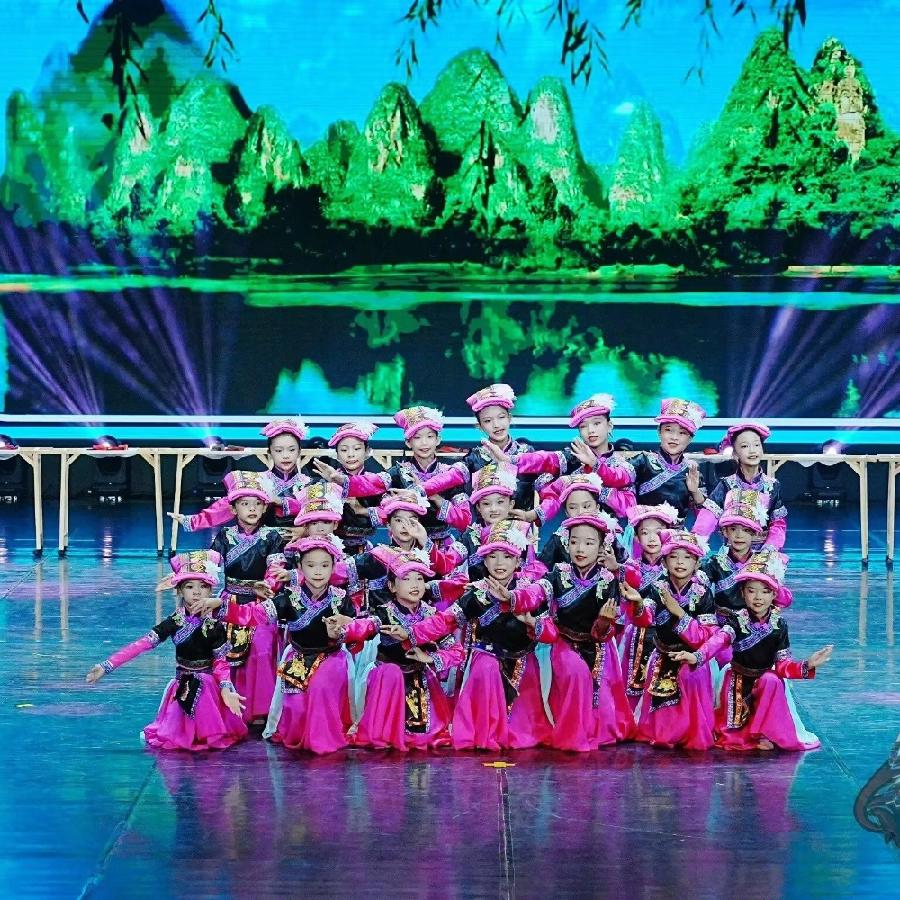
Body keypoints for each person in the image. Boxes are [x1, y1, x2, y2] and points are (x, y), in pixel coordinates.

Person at [382, 521, 555, 751]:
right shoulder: (476, 592)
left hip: (522, 660)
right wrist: (411, 633)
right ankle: (485, 732)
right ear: (484, 561)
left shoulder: (529, 592)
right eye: (492, 556)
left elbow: (551, 633)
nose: (499, 563)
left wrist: (532, 622)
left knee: (522, 735)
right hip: (487, 658)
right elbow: (446, 621)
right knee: (485, 667)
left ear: (518, 561)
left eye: (507, 556)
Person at [85, 550, 247, 751]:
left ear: (211, 590)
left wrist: (225, 688)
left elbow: (221, 662)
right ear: (179, 591)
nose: (197, 592)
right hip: (182, 683)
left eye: (203, 586)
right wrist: (107, 666)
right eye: (190, 586)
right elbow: (142, 644)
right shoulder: (174, 622)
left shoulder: (214, 625)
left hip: (208, 687)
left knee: (207, 730)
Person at [676, 548, 832, 751]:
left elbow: (783, 666)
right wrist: (697, 656)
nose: (758, 597)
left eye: (765, 591)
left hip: (766, 683)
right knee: (732, 737)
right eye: (751, 591)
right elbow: (718, 641)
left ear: (774, 594)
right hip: (737, 680)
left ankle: (764, 732)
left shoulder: (779, 625)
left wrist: (807, 665)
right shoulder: (736, 621)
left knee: (772, 679)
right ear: (742, 593)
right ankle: (745, 733)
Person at [217, 534, 358, 754]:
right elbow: (253, 615)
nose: (318, 571)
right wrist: (220, 606)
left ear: (333, 567)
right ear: (300, 567)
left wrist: (342, 632)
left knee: (320, 688)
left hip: (332, 658)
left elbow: (356, 633)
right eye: (311, 565)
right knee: (297, 707)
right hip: (298, 658)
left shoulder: (341, 599)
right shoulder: (287, 597)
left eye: (324, 565)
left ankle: (322, 740)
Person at [342, 547, 464, 750]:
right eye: (406, 579)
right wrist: (343, 630)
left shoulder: (431, 615)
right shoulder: (384, 613)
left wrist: (430, 658)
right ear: (391, 586)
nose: (415, 585)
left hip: (419, 677)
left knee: (423, 737)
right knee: (390, 672)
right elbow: (365, 626)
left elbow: (456, 650)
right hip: (388, 680)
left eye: (419, 579)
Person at [534, 513, 635, 750]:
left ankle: (590, 731)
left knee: (603, 701)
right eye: (574, 542)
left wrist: (604, 622)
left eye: (589, 543)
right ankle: (572, 735)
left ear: (601, 547)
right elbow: (536, 594)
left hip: (599, 646)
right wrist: (515, 599)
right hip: (564, 642)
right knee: (576, 674)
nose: (580, 549)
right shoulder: (557, 574)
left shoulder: (609, 580)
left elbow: (606, 632)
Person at [621, 529, 718, 750]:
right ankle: (667, 733)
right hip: (663, 653)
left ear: (697, 563)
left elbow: (707, 635)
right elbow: (645, 618)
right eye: (673, 556)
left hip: (692, 657)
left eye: (687, 557)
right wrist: (638, 603)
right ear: (664, 562)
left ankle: (691, 733)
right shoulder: (657, 588)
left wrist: (680, 614)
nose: (680, 562)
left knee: (691, 676)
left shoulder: (702, 593)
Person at [313, 406, 468, 543]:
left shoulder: (449, 474)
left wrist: (435, 497)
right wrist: (340, 480)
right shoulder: (398, 473)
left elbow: (464, 520)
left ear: (438, 440)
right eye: (417, 437)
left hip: (443, 547)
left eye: (429, 436)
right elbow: (373, 485)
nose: (424, 443)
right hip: (405, 547)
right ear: (408, 442)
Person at [169, 417, 310, 536]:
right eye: (278, 450)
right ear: (270, 452)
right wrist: (194, 521)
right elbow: (226, 505)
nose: (285, 455)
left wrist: (281, 502)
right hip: (263, 545)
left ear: (299, 452)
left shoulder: (308, 483)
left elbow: (314, 511)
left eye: (291, 450)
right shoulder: (258, 481)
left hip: (302, 543)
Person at [619, 502, 680, 710]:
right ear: (636, 537)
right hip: (637, 635)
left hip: (668, 635)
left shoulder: (678, 569)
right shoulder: (630, 568)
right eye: (645, 533)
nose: (653, 538)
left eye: (659, 532)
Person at [694, 422, 787, 550]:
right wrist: (696, 543)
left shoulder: (772, 485)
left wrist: (769, 549)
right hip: (732, 553)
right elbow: (708, 517)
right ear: (735, 454)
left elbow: (778, 524)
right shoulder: (726, 485)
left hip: (763, 553)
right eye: (744, 446)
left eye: (756, 445)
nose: (752, 450)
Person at [629, 398, 707, 520]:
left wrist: (694, 491)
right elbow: (617, 478)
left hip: (677, 531)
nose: (674, 437)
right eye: (668, 430)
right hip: (645, 528)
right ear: (659, 432)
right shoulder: (642, 461)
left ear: (690, 439)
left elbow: (704, 514)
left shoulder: (692, 472)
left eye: (682, 433)